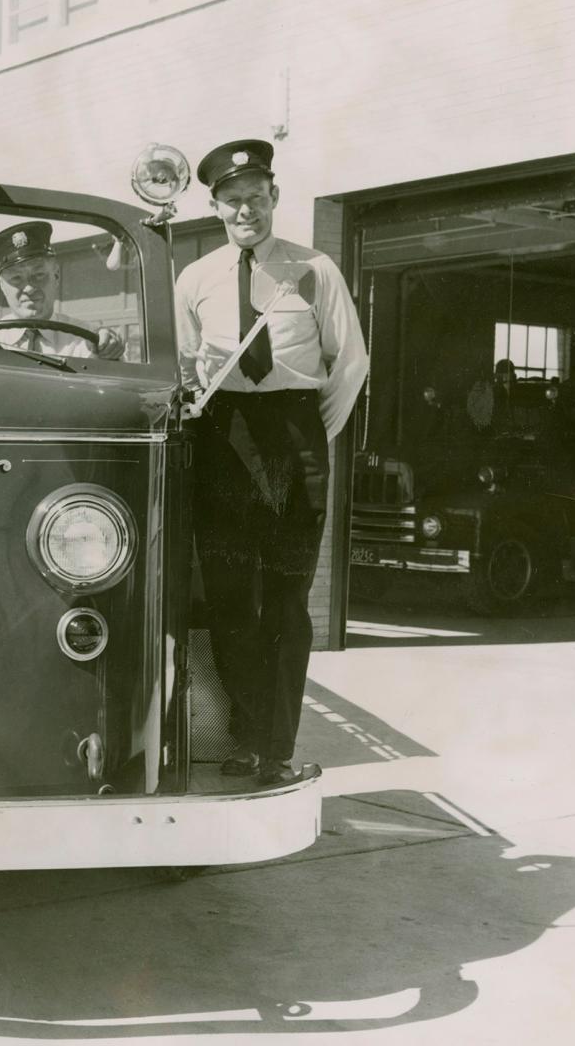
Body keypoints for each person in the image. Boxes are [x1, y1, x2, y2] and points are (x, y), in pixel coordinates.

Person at [174, 139, 369, 786]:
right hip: (223, 440)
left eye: (256, 197)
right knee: (232, 602)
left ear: (275, 198)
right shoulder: (195, 278)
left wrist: (308, 437)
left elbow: (349, 366)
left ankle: (278, 752)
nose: (245, 210)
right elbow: (185, 366)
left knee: (286, 605)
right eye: (233, 200)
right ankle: (246, 741)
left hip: (295, 436)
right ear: (215, 206)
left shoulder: (315, 270)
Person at [0, 221, 125, 359]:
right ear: (2, 285)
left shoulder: (85, 341)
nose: (30, 288)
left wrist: (109, 348)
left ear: (56, 276)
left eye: (39, 275)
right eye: (16, 278)